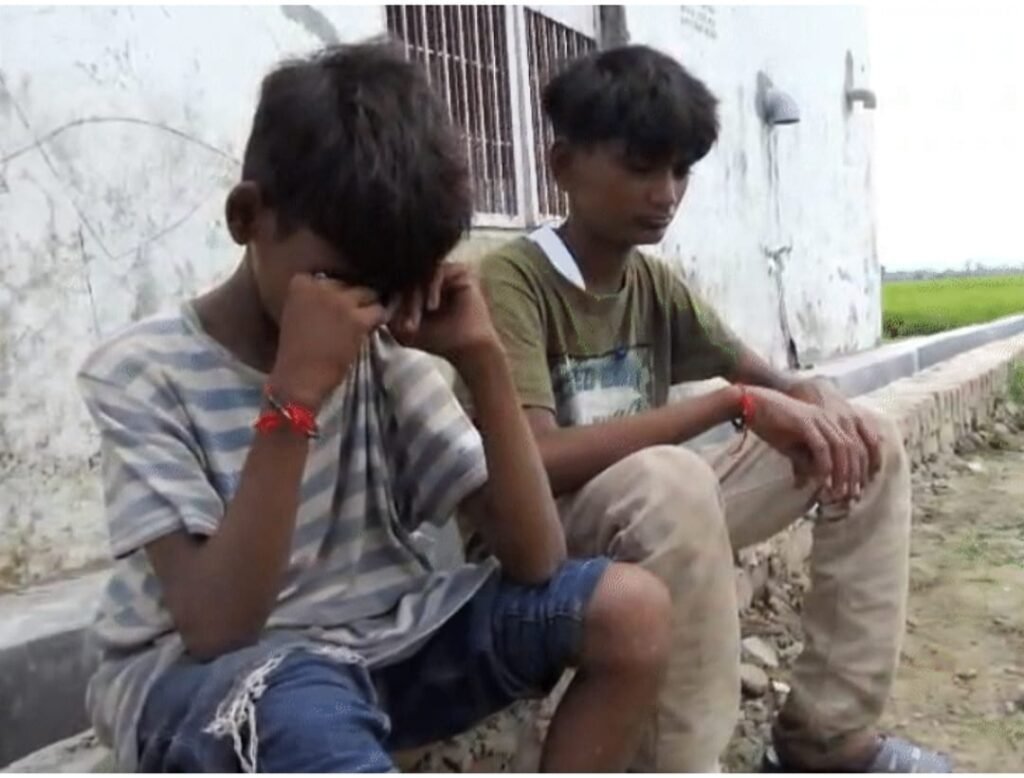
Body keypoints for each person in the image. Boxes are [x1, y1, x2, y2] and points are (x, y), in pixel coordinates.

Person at [76, 42, 673, 773]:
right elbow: (217, 628)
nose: (367, 312)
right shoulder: (143, 374)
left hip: (383, 648)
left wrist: (483, 362)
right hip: (214, 684)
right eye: (338, 280)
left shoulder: (381, 361)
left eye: (387, 288)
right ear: (248, 217)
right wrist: (294, 399)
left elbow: (537, 558)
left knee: (631, 610)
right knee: (301, 704)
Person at [477, 44, 951, 773]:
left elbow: (763, 378)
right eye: (642, 167)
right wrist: (732, 405)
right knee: (671, 478)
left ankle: (825, 737)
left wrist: (809, 396)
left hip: (655, 515)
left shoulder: (652, 283)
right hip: (541, 540)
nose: (665, 194)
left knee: (866, 436)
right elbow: (535, 460)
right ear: (563, 165)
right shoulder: (511, 281)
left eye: (681, 171)